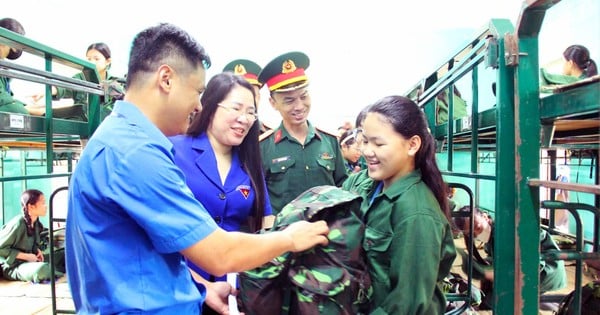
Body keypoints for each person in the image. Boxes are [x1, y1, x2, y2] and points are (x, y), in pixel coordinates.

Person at [65, 23, 329, 314]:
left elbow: (149, 248)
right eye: (197, 92)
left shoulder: (119, 138)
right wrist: (290, 238)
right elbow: (219, 253)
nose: (198, 106)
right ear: (166, 79)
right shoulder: (136, 153)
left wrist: (200, 288)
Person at [169, 72, 275, 314]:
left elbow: (266, 223)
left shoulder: (250, 163)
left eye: (251, 112)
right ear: (210, 107)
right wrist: (200, 283)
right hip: (179, 282)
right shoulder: (175, 150)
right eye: (236, 108)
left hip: (231, 289)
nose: (244, 119)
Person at [342, 95, 456, 314]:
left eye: (378, 143)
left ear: (412, 145)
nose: (367, 151)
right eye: (365, 141)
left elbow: (406, 306)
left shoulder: (416, 214)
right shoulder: (371, 186)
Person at [258, 51, 347, 214]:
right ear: (273, 103)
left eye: (303, 96)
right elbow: (259, 199)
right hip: (286, 235)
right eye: (289, 100)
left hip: (330, 233)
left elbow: (342, 185)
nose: (299, 106)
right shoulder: (263, 147)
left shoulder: (330, 140)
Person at [453, 206, 567, 309]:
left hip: (548, 270)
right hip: (532, 270)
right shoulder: (493, 235)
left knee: (498, 300)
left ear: (485, 216)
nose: (477, 235)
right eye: (472, 234)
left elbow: (532, 264)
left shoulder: (508, 231)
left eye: (477, 228)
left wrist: (499, 273)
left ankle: (546, 301)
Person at [0, 189, 65, 283]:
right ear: (31, 206)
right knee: (42, 269)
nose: (46, 206)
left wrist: (37, 251)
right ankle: (52, 270)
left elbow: (33, 244)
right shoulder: (18, 223)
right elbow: (1, 249)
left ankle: (53, 269)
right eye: (43, 203)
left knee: (66, 254)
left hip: (32, 261)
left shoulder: (36, 223)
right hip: (15, 267)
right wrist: (26, 256)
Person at [50, 42, 125, 120]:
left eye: (96, 59)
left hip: (104, 124)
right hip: (82, 121)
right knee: (45, 112)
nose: (91, 62)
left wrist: (106, 87)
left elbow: (123, 98)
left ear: (108, 61)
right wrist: (53, 89)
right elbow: (66, 87)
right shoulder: (81, 77)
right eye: (89, 59)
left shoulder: (114, 82)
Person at [0, 18, 40, 115]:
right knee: (20, 112)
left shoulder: (4, 67)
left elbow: (7, 98)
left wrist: (23, 106)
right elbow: (4, 101)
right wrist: (27, 109)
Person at [222, 58, 271, 134]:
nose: (245, 100)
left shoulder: (269, 137)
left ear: (259, 97)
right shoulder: (215, 134)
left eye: (252, 95)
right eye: (238, 95)